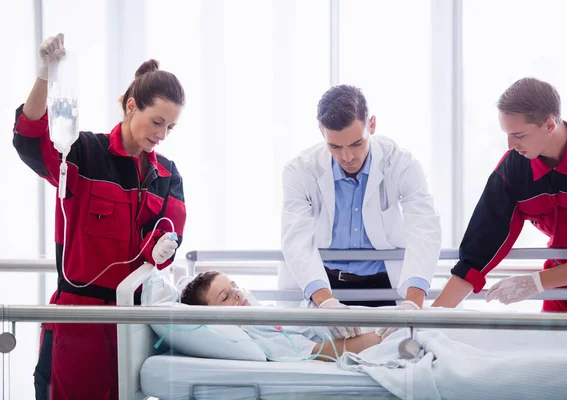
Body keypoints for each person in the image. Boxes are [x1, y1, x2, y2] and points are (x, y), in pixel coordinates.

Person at [14, 33, 187, 400]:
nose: (162, 136)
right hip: (81, 321)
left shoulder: (168, 175)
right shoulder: (82, 153)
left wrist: (165, 247)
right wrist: (45, 75)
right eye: (156, 122)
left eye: (170, 128)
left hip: (136, 321)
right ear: (130, 108)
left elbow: (172, 232)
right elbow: (30, 140)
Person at [281, 84, 442, 340]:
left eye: (357, 143)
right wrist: (326, 303)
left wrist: (412, 304)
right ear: (321, 131)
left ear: (373, 125)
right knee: (320, 353)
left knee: (401, 350)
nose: (347, 157)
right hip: (325, 285)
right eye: (334, 146)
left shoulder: (401, 163)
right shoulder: (299, 170)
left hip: (383, 284)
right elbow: (296, 239)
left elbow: (424, 228)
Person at [432, 77, 567, 312]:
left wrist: (536, 282)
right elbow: (477, 254)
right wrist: (424, 319)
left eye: (519, 135)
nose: (510, 145)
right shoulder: (513, 169)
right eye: (507, 134)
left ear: (549, 124)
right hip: (560, 288)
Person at [180, 271, 383, 361]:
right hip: (370, 339)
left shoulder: (262, 314)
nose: (238, 294)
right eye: (226, 297)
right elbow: (323, 351)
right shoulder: (258, 335)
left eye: (234, 286)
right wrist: (384, 335)